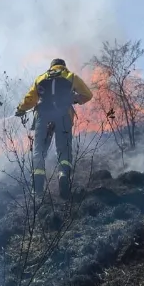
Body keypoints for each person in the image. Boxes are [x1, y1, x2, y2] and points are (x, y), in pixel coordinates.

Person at [15, 58, 93, 199]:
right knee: (63, 149)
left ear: (51, 67)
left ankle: (37, 189)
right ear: (63, 66)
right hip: (63, 116)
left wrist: (21, 109)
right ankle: (63, 176)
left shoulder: (41, 78)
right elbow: (88, 95)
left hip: (43, 117)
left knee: (39, 150)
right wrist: (73, 98)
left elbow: (30, 100)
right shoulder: (71, 77)